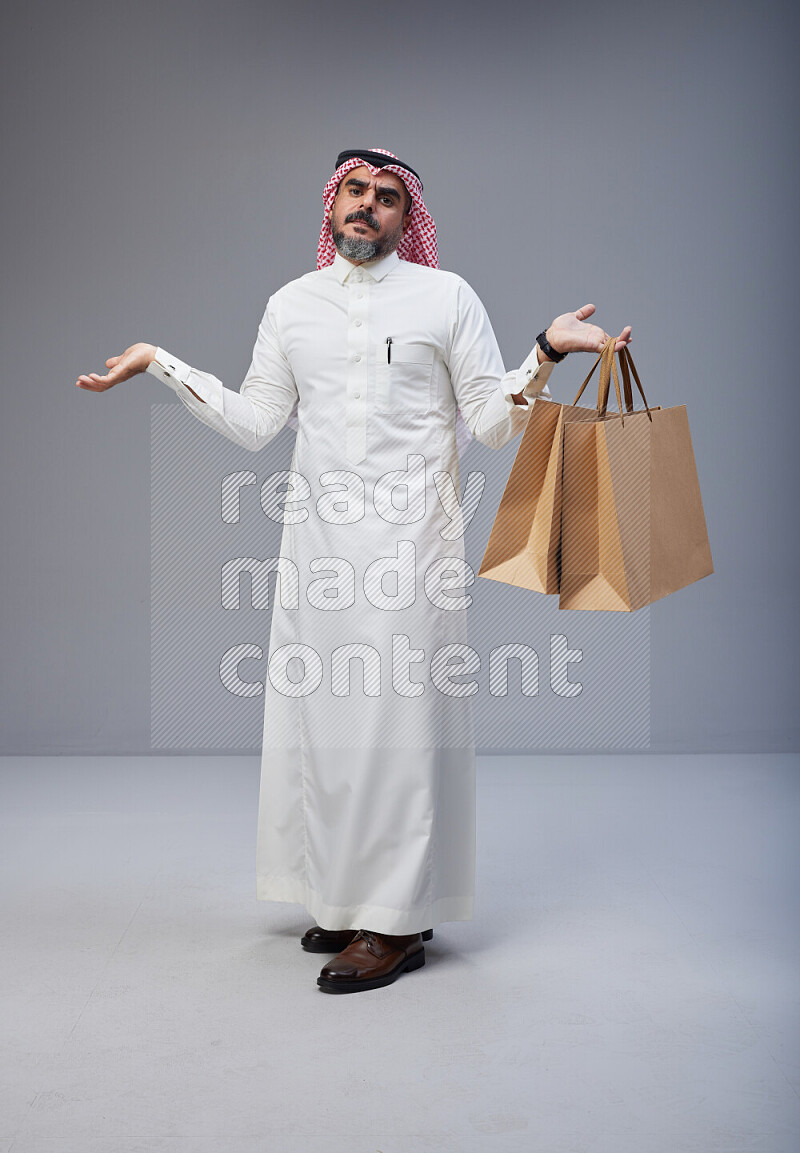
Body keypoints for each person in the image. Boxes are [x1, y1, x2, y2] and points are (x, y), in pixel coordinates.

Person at [76, 147, 632, 995]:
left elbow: (489, 423)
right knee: (323, 728)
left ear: (409, 219)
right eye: (354, 191)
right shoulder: (292, 307)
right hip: (317, 554)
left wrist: (545, 350)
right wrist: (161, 360)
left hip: (413, 551)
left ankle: (397, 922)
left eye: (387, 197)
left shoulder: (446, 298)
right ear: (332, 204)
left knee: (398, 735)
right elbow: (258, 421)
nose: (367, 206)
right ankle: (344, 897)